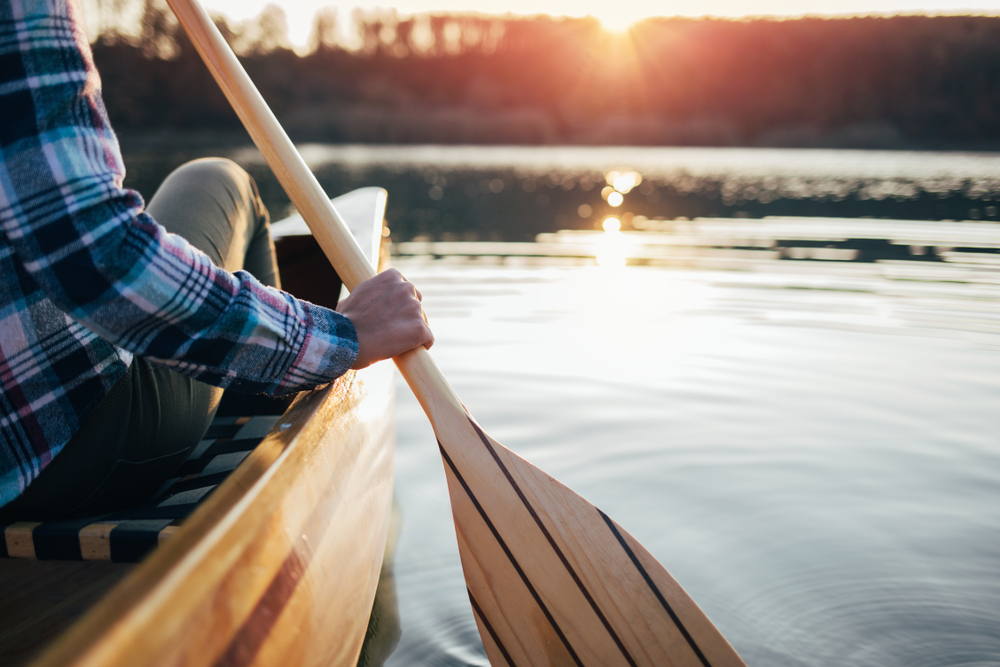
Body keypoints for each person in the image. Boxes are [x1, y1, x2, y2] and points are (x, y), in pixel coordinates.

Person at [0, 0, 433, 521]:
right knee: (217, 180)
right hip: (59, 448)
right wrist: (340, 338)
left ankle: (265, 374)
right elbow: (97, 259)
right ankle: (280, 409)